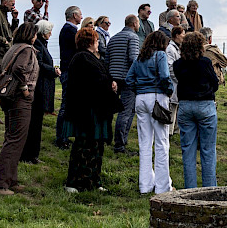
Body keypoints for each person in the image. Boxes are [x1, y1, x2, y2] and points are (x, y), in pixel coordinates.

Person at [63, 27, 122, 193]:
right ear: (90, 42)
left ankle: (93, 181)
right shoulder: (82, 58)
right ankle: (75, 183)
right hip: (86, 111)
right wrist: (108, 84)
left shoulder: (90, 58)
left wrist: (111, 83)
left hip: (95, 110)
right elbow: (93, 81)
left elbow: (103, 76)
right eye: (96, 41)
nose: (98, 44)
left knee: (96, 147)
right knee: (84, 146)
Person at [0, 22, 38, 195]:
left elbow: (0, 68)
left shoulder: (13, 48)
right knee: (15, 140)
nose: (36, 37)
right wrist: (25, 89)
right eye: (35, 34)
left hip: (8, 98)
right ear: (30, 35)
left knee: (13, 138)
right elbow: (19, 68)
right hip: (19, 99)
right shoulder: (27, 49)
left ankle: (10, 179)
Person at [126, 30, 174, 194]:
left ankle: (145, 185)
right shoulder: (160, 55)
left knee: (145, 143)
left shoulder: (140, 57)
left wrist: (139, 89)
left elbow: (128, 79)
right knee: (161, 143)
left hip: (140, 98)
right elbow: (165, 76)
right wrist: (169, 91)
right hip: (157, 97)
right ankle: (162, 187)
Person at [173, 32, 220, 188]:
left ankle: (190, 189)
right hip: (205, 104)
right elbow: (215, 82)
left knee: (188, 150)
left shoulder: (178, 64)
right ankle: (210, 188)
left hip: (185, 105)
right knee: (208, 150)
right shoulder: (205, 62)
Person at [21, 20, 60, 163]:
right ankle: (30, 155)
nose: (51, 33)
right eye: (49, 30)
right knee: (34, 124)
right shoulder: (39, 44)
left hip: (42, 87)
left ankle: (32, 155)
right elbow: (39, 64)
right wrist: (53, 70)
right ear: (44, 31)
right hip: (39, 89)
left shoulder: (42, 44)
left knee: (37, 123)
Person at [108, 14, 140, 154]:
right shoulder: (133, 37)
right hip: (127, 78)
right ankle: (120, 145)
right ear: (134, 24)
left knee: (110, 111)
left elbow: (107, 60)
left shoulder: (113, 38)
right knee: (126, 112)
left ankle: (107, 138)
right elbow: (133, 58)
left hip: (112, 78)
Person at [54, 5, 82, 149]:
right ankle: (61, 137)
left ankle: (64, 135)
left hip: (69, 70)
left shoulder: (69, 30)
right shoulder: (69, 31)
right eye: (80, 15)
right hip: (70, 71)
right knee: (66, 106)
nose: (82, 17)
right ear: (74, 15)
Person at [166, 25, 185, 136]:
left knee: (176, 107)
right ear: (177, 35)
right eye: (182, 33)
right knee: (172, 108)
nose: (184, 36)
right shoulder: (170, 49)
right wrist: (180, 79)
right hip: (174, 83)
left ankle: (175, 131)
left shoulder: (177, 48)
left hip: (178, 83)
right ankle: (169, 133)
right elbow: (170, 68)